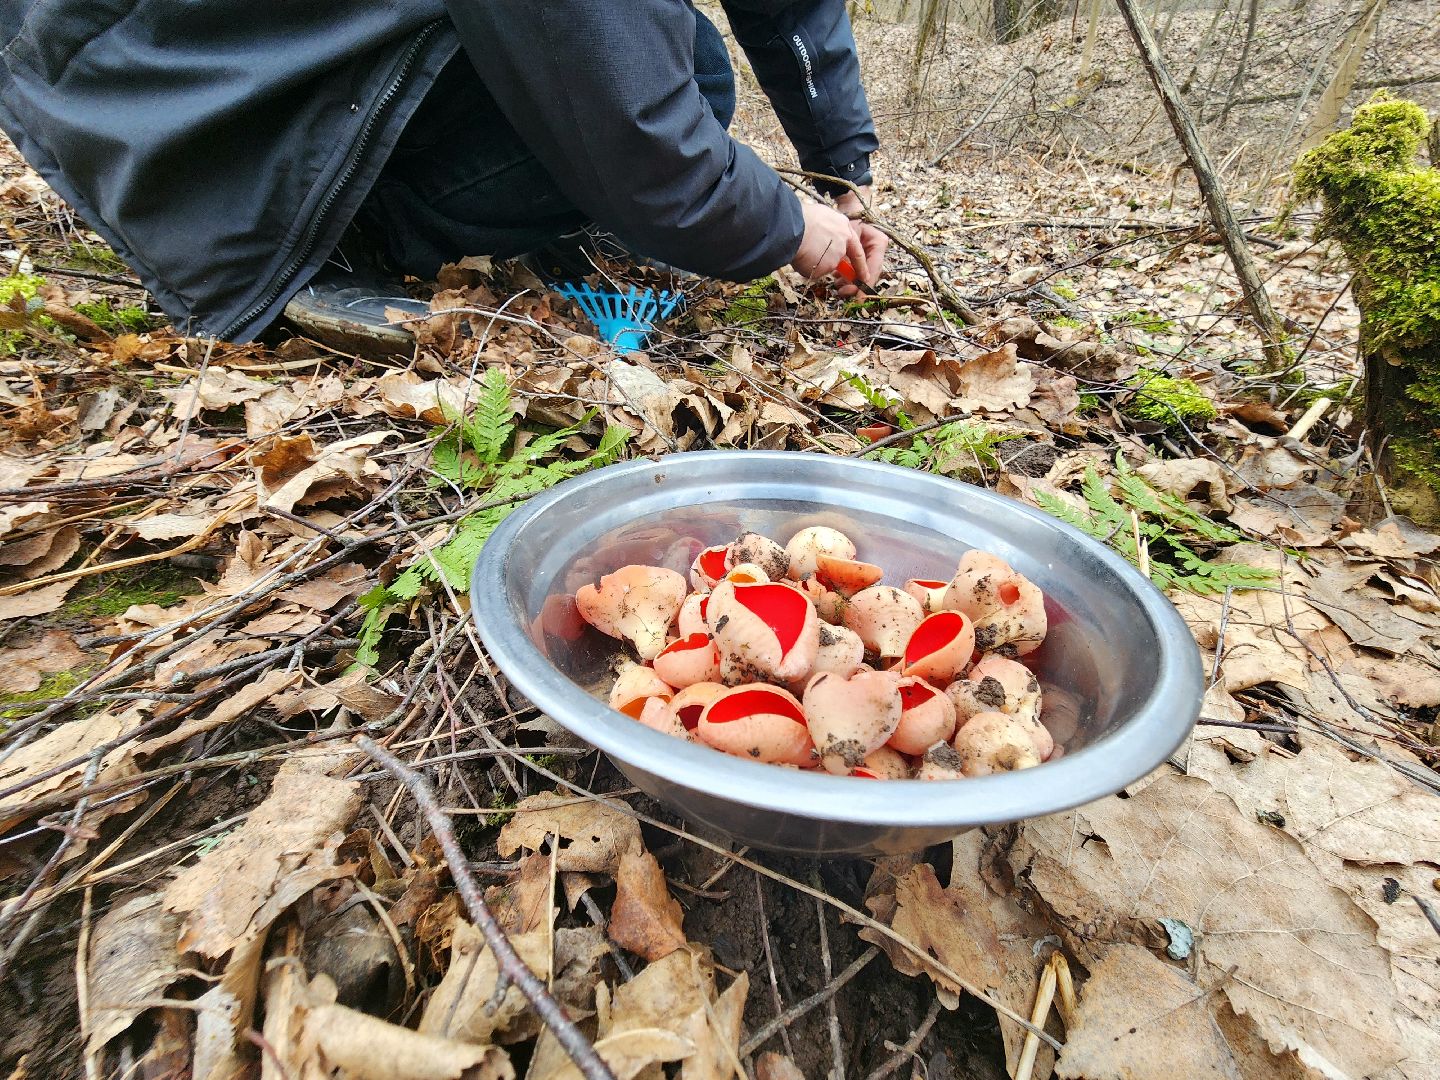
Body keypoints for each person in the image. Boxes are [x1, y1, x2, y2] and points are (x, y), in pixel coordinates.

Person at [0, 1, 888, 350]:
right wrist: (784, 224)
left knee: (684, 61)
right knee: (689, 70)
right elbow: (626, 106)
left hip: (184, 56)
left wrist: (838, 167)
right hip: (146, 82)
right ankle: (331, 235)